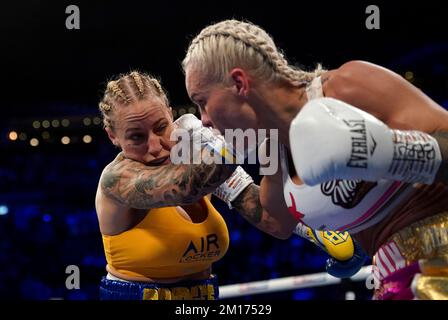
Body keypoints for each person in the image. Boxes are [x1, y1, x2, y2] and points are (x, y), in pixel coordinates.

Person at [182, 19, 448, 299]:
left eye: (203, 101)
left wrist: (385, 151)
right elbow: (276, 220)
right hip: (393, 276)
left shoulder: (344, 87)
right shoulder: (273, 153)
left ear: (239, 83)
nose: (205, 119)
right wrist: (224, 177)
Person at [95, 70, 254, 300]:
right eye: (137, 137)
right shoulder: (116, 180)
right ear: (113, 136)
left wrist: (316, 229)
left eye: (161, 127)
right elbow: (186, 187)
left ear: (171, 116)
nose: (154, 146)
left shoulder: (197, 159)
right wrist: (242, 131)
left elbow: (265, 213)